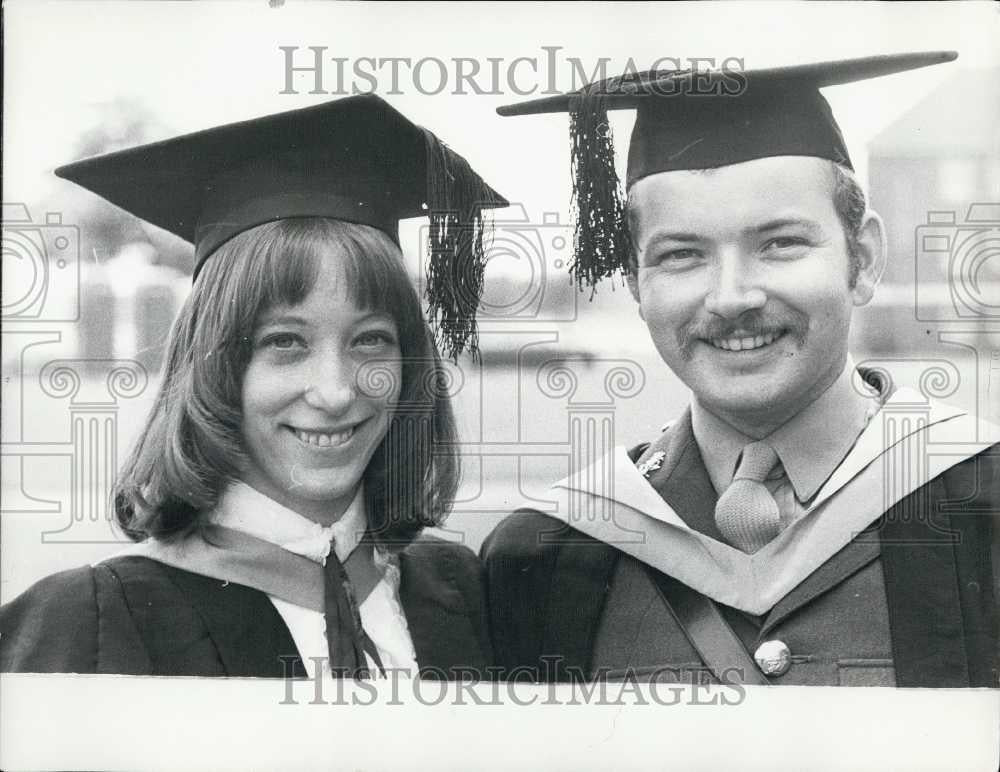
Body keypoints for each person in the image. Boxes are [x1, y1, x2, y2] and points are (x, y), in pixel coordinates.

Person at [482, 52, 999, 687]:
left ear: (862, 259)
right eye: (680, 254)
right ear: (636, 284)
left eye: (780, 243)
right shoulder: (548, 556)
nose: (731, 297)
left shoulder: (984, 505)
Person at [0, 94, 506, 679]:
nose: (336, 392)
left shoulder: (463, 597)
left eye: (370, 340)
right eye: (284, 343)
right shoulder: (94, 623)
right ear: (212, 365)